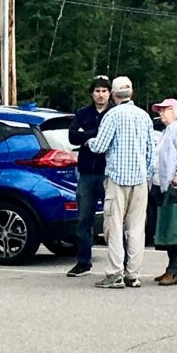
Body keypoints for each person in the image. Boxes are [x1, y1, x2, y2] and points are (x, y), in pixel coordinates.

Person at [91, 76, 157, 289]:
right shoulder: (144, 116)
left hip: (117, 179)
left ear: (112, 94)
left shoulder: (113, 115)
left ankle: (114, 273)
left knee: (114, 226)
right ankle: (133, 274)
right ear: (132, 93)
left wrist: (87, 140)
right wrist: (146, 175)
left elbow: (100, 146)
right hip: (139, 180)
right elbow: (150, 152)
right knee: (137, 228)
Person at [64, 76, 112, 278]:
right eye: (97, 91)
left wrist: (89, 134)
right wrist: (94, 134)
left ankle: (121, 262)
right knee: (84, 219)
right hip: (86, 173)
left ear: (110, 93)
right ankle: (83, 262)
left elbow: (109, 136)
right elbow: (72, 136)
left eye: (104, 91)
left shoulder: (113, 113)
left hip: (107, 173)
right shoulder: (83, 112)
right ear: (92, 93)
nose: (100, 95)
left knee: (113, 219)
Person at [147, 98, 177, 286]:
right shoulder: (167, 131)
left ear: (175, 111)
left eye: (164, 110)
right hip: (163, 185)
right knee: (169, 226)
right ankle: (176, 268)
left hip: (174, 185)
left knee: (174, 227)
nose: (161, 113)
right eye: (160, 110)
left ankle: (174, 270)